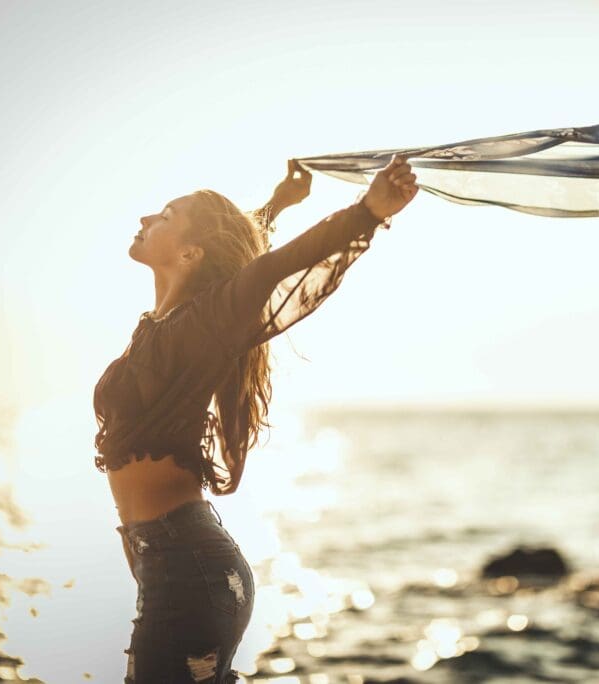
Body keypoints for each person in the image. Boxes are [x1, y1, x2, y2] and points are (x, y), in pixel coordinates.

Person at [94, 155, 418, 682]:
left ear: (189, 251)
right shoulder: (169, 322)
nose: (147, 218)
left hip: (186, 569)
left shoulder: (205, 321)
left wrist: (367, 211)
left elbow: (268, 271)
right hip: (172, 566)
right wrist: (275, 206)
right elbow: (233, 257)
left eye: (166, 216)